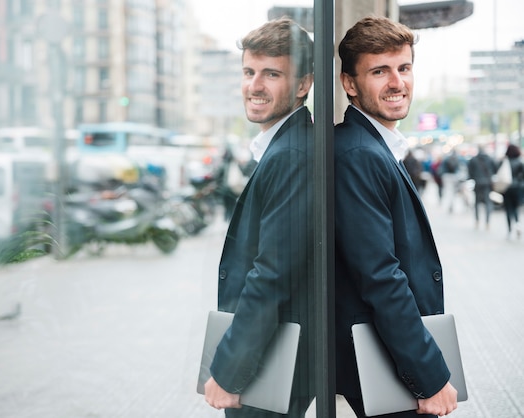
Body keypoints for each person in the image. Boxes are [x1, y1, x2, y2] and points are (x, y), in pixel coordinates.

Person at [334, 16, 458, 418]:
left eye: (403, 68)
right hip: (384, 362)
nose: (396, 82)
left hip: (389, 355)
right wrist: (431, 376)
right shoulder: (358, 154)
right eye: (379, 71)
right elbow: (380, 276)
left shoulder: (374, 145)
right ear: (350, 83)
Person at [204, 17, 316, 417]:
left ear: (303, 84)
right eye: (249, 72)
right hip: (272, 354)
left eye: (272, 73)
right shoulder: (284, 146)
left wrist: (229, 370)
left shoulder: (292, 156)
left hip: (273, 362)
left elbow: (272, 274)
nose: (255, 85)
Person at [467, 144, 497, 230]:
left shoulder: (473, 159)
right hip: (487, 183)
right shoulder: (489, 159)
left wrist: (474, 178)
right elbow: (495, 169)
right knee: (488, 202)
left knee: (477, 202)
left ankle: (477, 220)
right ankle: (487, 222)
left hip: (478, 182)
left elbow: (470, 172)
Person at [500, 143, 524, 239]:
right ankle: (518, 224)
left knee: (508, 209)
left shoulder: (505, 162)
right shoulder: (520, 162)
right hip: (517, 188)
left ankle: (510, 230)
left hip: (507, 187)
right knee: (516, 208)